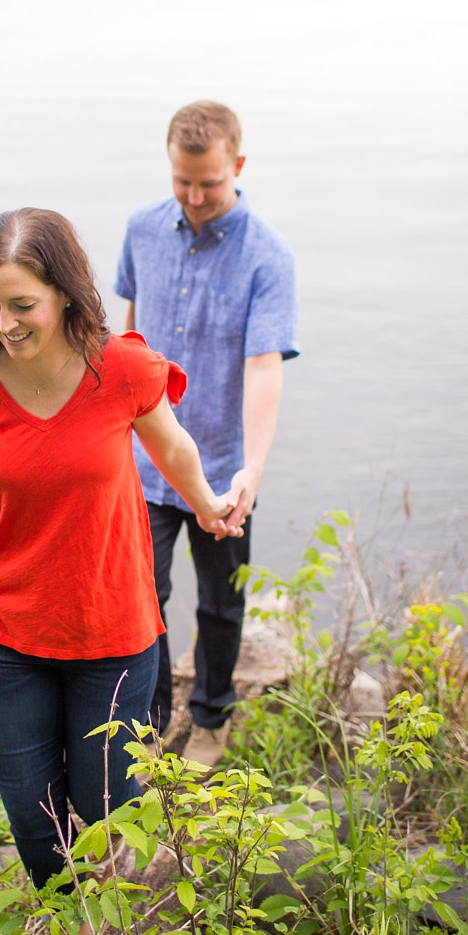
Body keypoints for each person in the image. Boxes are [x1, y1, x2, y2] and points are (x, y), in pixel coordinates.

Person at [0, 207, 242, 889]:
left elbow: (173, 446)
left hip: (114, 636)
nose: (6, 323)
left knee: (105, 813)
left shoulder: (119, 367)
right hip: (8, 637)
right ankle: (64, 933)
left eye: (23, 304)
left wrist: (207, 504)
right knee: (35, 819)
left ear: (65, 290)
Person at [115, 101, 299, 769]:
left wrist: (251, 467)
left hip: (223, 467)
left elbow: (262, 366)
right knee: (142, 595)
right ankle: (156, 717)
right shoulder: (141, 229)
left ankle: (212, 717)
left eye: (210, 184)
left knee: (222, 602)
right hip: (144, 459)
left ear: (238, 166)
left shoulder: (268, 256)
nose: (195, 198)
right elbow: (130, 336)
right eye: (182, 181)